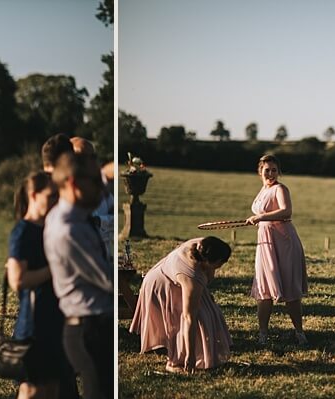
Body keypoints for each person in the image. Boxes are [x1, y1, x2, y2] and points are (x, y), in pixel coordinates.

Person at [44, 152, 113, 399]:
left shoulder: (66, 215)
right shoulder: (70, 229)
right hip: (89, 327)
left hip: (86, 323)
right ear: (74, 183)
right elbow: (106, 279)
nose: (102, 189)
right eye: (95, 181)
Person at [4, 171, 78, 399]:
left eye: (59, 196)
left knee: (54, 389)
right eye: (51, 196)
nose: (57, 201)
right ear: (34, 195)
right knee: (33, 390)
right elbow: (18, 281)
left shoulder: (52, 228)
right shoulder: (24, 231)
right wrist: (55, 268)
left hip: (58, 318)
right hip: (35, 323)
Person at [129, 236, 232, 373]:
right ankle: (177, 361)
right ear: (210, 261)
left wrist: (209, 275)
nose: (222, 265)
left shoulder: (201, 246)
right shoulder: (191, 276)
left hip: (175, 276)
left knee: (211, 310)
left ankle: (209, 355)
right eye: (221, 263)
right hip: (160, 285)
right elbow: (189, 317)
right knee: (193, 318)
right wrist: (190, 356)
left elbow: (208, 274)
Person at [246, 154, 307, 345]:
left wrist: (262, 217)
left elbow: (286, 211)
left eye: (274, 170)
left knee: (290, 288)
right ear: (260, 171)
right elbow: (263, 214)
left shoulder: (280, 188)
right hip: (266, 241)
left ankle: (299, 333)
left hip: (284, 242)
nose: (271, 174)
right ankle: (263, 334)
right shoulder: (263, 190)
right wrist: (258, 220)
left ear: (278, 172)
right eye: (267, 170)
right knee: (264, 287)